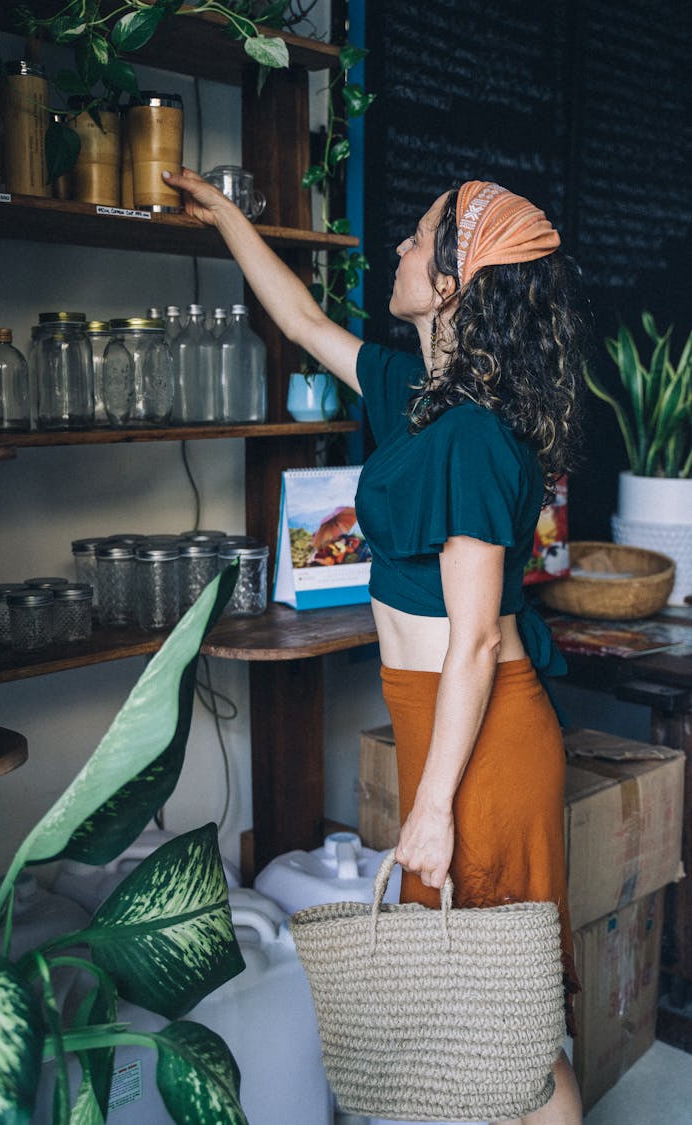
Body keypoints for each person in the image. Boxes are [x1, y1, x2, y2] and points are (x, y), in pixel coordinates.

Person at [162, 167, 588, 1124]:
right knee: (480, 1012)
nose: (396, 248)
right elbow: (308, 325)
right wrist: (231, 218)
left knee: (517, 1029)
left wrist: (431, 806)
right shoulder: (421, 398)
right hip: (445, 727)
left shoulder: (473, 436)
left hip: (483, 742)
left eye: (417, 238)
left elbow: (475, 641)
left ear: (451, 286)